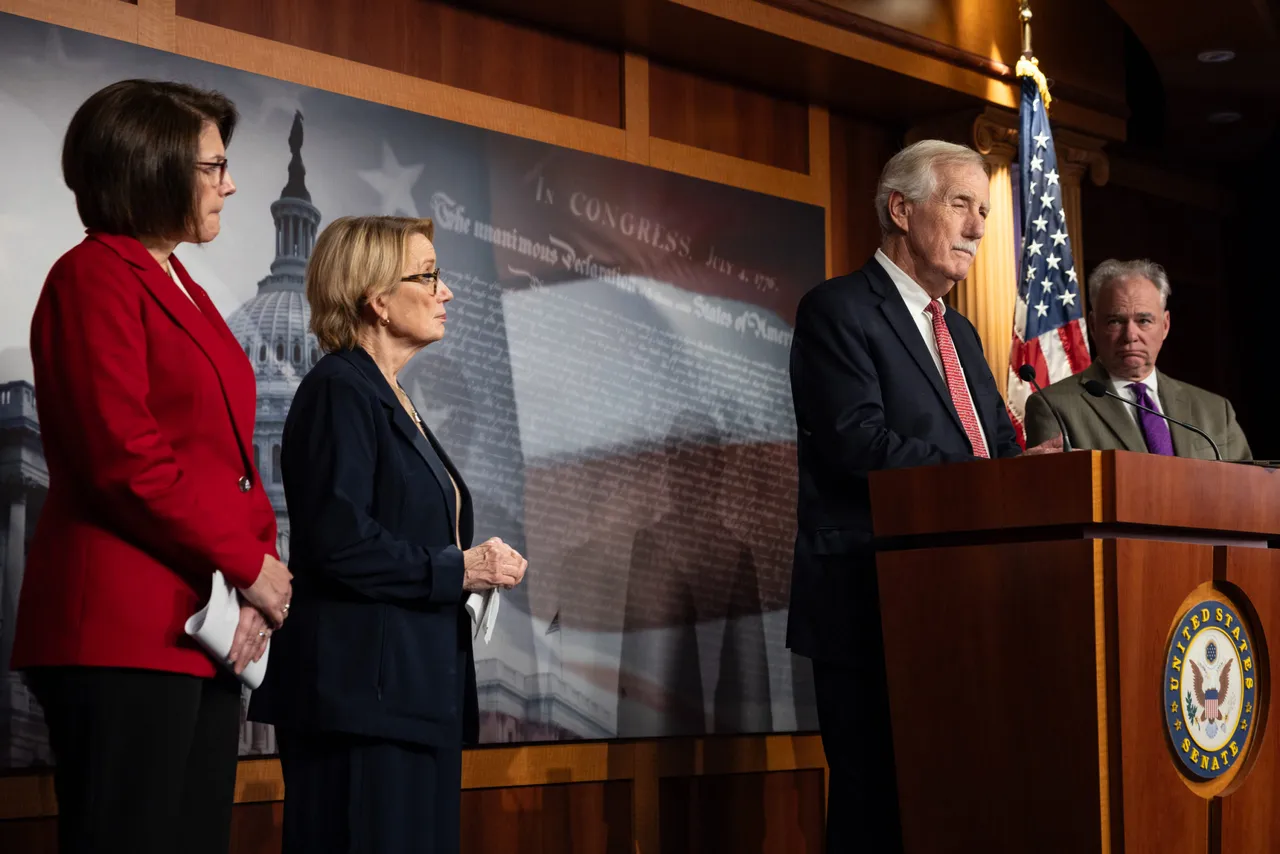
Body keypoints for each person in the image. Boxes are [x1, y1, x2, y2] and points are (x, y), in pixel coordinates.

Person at [11, 80, 291, 854]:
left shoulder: (186, 287)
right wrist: (249, 566)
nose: (230, 184)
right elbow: (122, 458)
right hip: (123, 630)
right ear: (152, 166)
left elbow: (230, 462)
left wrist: (258, 583)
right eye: (213, 166)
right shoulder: (92, 275)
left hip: (200, 628)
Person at [787, 139, 1061, 853]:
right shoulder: (837, 311)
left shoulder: (962, 333)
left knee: (956, 806)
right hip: (871, 607)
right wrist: (985, 477)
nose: (977, 227)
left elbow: (995, 447)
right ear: (901, 210)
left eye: (985, 211)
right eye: (961, 205)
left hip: (968, 608)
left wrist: (1033, 471)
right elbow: (858, 443)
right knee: (877, 811)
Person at [249, 215, 528, 854]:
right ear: (376, 298)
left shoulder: (390, 395)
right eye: (428, 276)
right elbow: (339, 544)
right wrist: (462, 569)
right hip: (361, 704)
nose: (445, 291)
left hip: (411, 696)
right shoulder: (338, 391)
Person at [1024, 259, 1251, 460]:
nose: (1130, 336)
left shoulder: (1215, 411)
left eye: (1143, 320)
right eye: (1115, 321)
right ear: (1093, 326)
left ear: (1165, 325)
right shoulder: (1053, 407)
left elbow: (1248, 492)